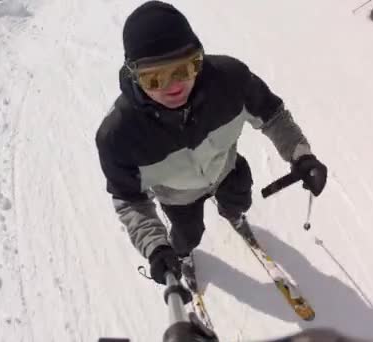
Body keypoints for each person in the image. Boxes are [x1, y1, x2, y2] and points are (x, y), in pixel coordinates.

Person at [95, 1, 328, 287]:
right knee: (188, 233)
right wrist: (157, 247)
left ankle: (233, 215)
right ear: (133, 75)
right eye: (154, 77)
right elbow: (129, 199)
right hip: (177, 196)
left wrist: (300, 156)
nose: (173, 87)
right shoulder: (119, 136)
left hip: (226, 169)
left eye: (184, 68)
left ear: (199, 60)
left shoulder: (231, 81)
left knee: (240, 199)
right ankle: (182, 254)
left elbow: (273, 116)